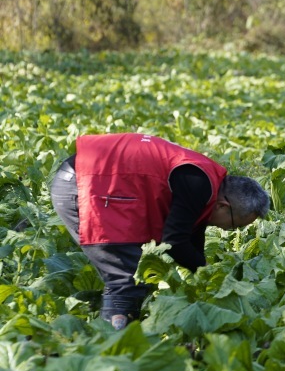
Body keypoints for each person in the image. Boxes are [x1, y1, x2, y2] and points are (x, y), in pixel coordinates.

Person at [49, 133, 270, 329]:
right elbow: (174, 241)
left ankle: (107, 327)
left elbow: (191, 240)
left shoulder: (206, 179)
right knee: (127, 279)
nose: (230, 230)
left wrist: (206, 278)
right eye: (234, 225)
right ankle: (113, 347)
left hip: (89, 177)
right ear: (223, 206)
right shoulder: (198, 183)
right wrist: (207, 271)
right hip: (84, 183)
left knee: (129, 272)